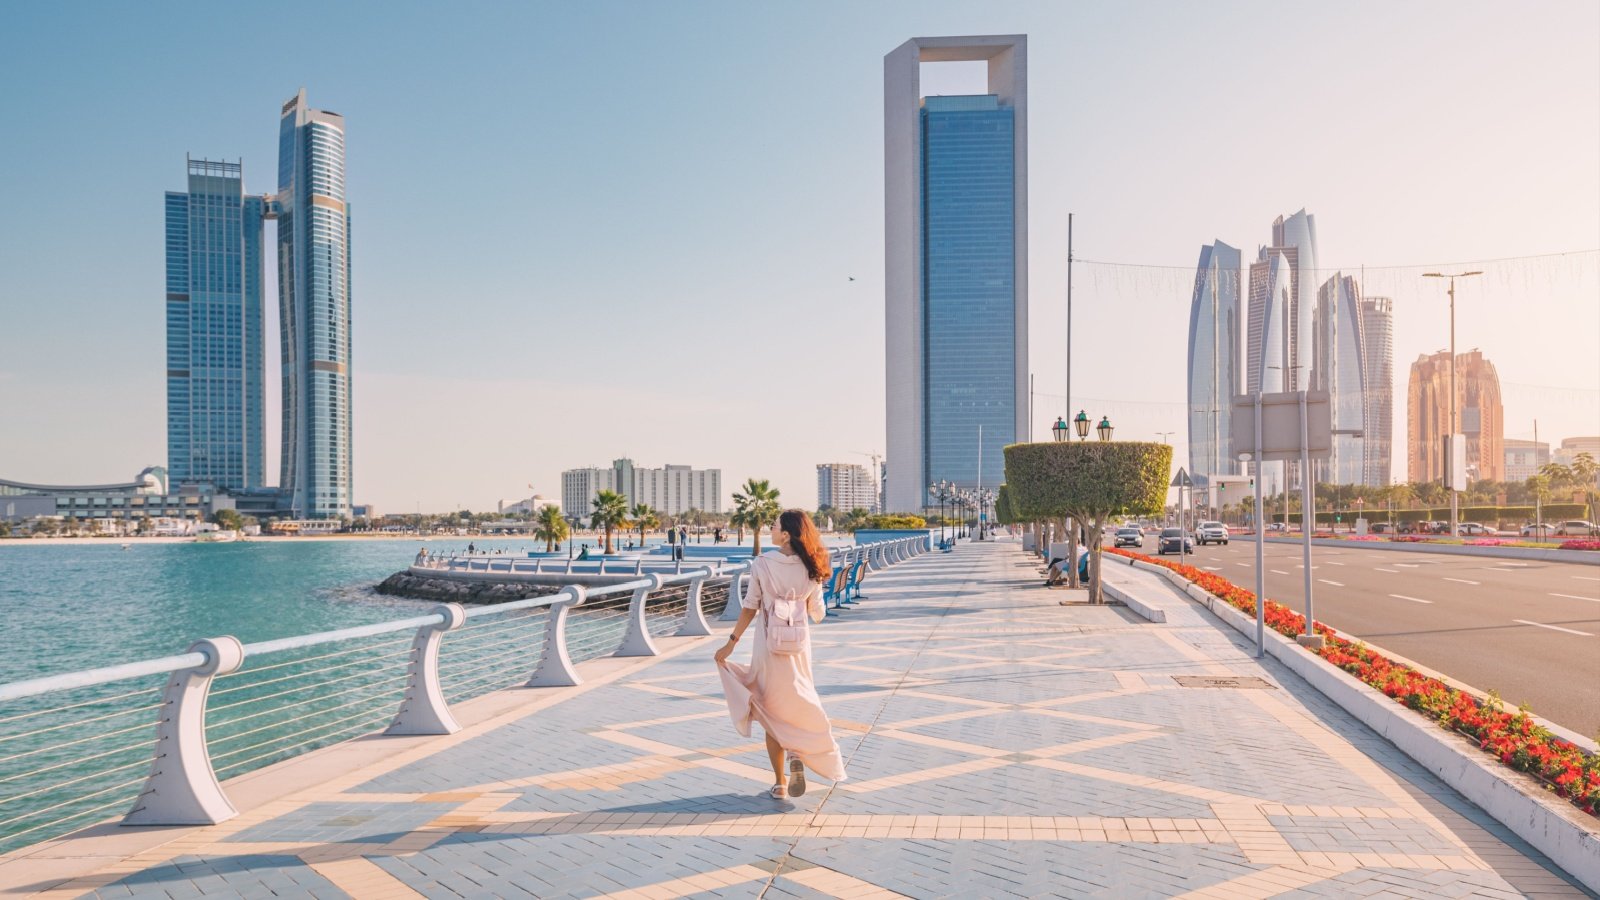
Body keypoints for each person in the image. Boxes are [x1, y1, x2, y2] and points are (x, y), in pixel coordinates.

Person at [715, 509, 846, 799]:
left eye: (773, 525)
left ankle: (780, 783)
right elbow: (818, 614)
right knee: (797, 704)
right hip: (798, 649)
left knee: (770, 711)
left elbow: (750, 606)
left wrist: (731, 642)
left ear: (785, 534)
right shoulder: (812, 566)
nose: (770, 528)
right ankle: (797, 755)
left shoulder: (762, 563)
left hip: (768, 649)